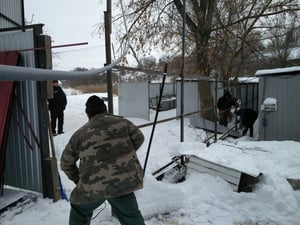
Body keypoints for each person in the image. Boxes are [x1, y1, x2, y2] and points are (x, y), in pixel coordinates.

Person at [60, 95, 145, 225]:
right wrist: (124, 154)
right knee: (131, 216)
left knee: (79, 209)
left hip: (93, 186)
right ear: (105, 109)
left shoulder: (79, 134)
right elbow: (139, 138)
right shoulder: (123, 123)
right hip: (123, 181)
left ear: (88, 114)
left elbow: (65, 163)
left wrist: (79, 180)